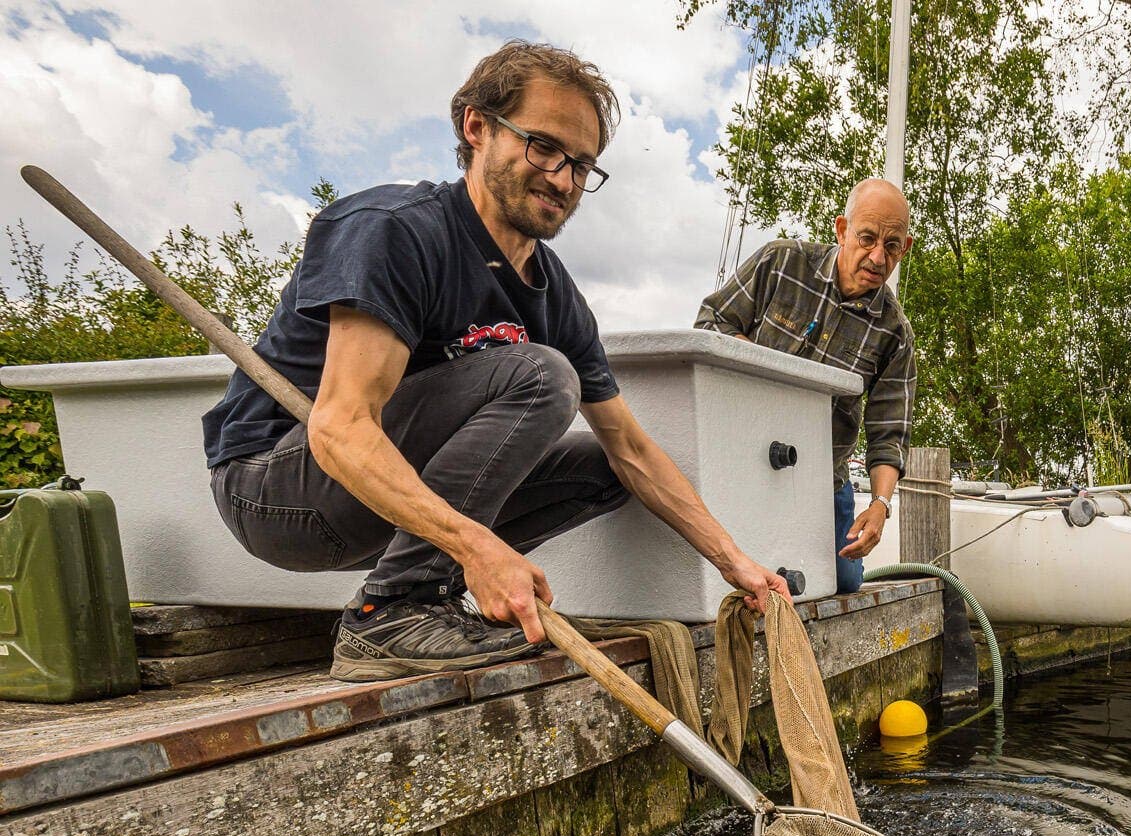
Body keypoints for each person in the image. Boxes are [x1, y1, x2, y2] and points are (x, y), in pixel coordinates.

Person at [202, 40, 789, 682]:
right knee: (542, 375)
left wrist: (732, 560)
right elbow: (341, 429)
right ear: (477, 127)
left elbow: (632, 449)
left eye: (581, 164)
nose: (562, 179)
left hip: (377, 509)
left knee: (606, 471)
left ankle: (423, 592)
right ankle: (391, 610)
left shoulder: (552, 291)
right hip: (278, 489)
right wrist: (476, 546)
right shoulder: (393, 229)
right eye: (542, 147)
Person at [695, 179, 915, 593]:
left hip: (822, 478)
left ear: (904, 249)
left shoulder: (895, 332)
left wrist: (880, 505)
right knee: (719, 574)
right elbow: (711, 322)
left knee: (843, 581)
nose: (877, 256)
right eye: (867, 238)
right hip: (741, 458)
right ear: (842, 230)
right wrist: (765, 365)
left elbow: (889, 433)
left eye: (891, 245)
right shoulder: (781, 262)